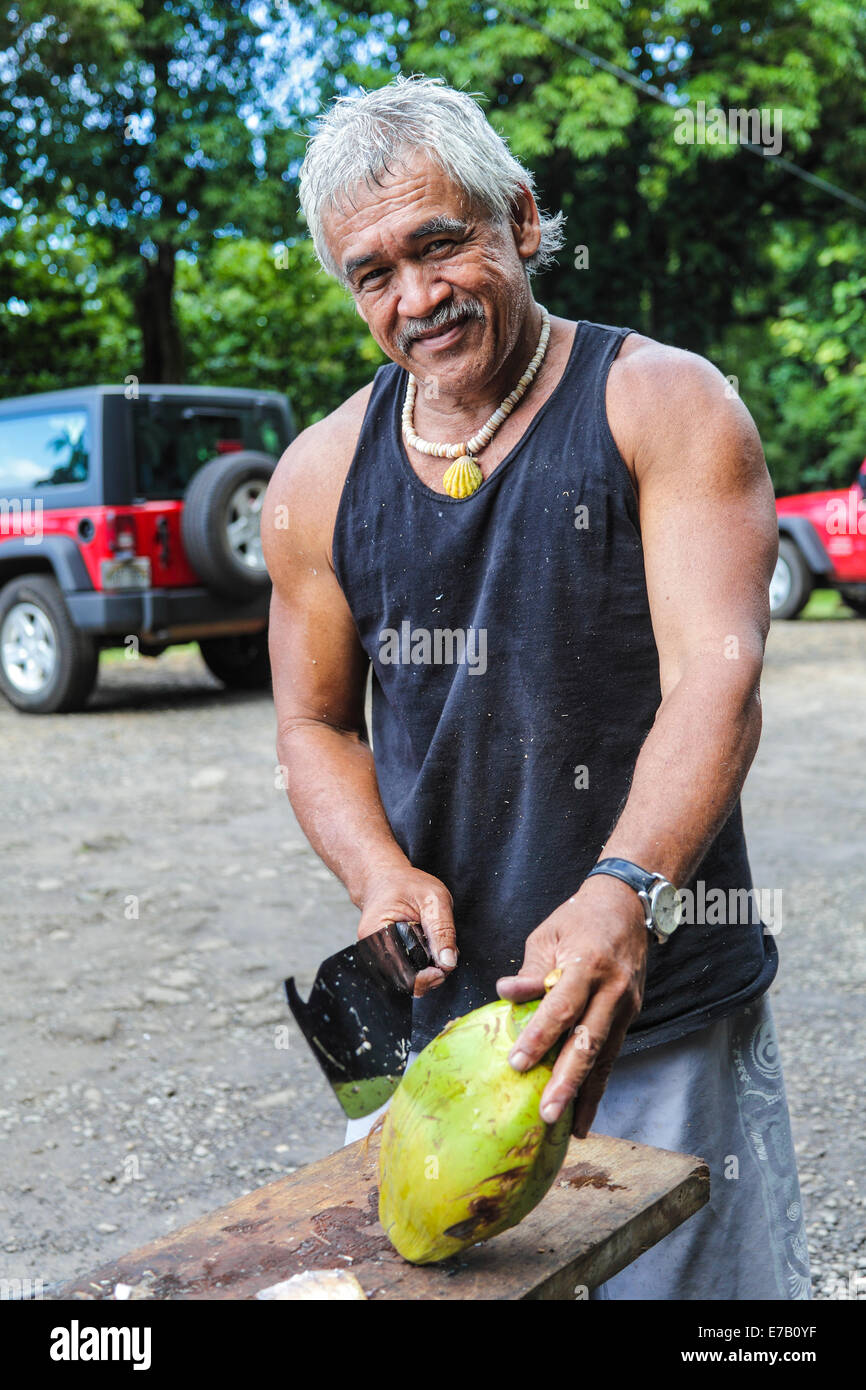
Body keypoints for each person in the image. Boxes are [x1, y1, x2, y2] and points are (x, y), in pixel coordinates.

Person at [262, 76, 810, 1300]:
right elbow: (309, 723)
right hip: (433, 1033)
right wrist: (375, 873)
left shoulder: (661, 405)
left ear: (518, 217)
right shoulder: (316, 478)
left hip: (653, 1004)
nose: (414, 298)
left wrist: (625, 886)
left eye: (440, 242)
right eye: (371, 274)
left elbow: (718, 681)